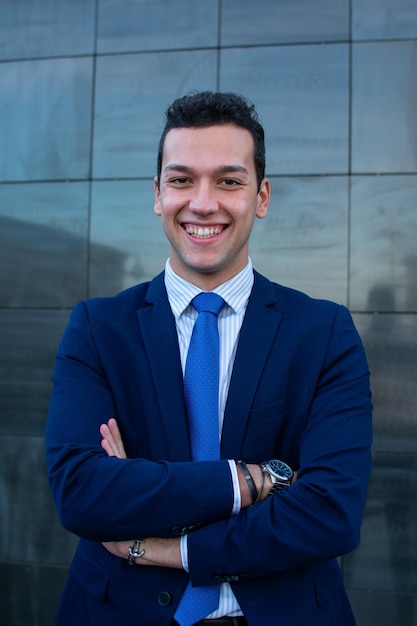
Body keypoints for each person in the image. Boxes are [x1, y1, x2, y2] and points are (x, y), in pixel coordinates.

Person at [46, 91, 373, 626]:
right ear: (157, 194)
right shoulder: (97, 328)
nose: (202, 202)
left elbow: (332, 512)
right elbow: (82, 494)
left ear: (261, 196)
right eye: (181, 180)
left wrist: (169, 546)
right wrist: (249, 481)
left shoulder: (324, 332)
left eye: (229, 180)